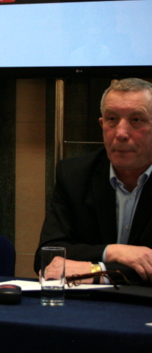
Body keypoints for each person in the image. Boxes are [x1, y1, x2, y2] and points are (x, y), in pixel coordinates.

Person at [35, 78, 152, 285]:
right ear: (102, 125)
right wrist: (113, 252)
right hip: (86, 302)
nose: (121, 133)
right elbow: (47, 257)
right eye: (112, 119)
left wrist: (97, 270)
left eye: (136, 120)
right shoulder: (74, 174)